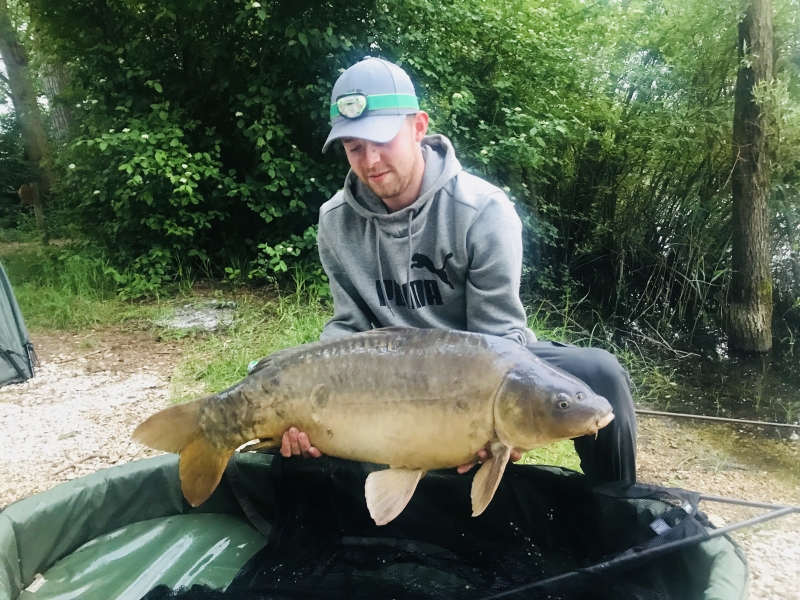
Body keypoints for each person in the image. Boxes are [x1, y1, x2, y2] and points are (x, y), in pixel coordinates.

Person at [280, 57, 637, 483]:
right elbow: (349, 328)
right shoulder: (335, 220)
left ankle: (614, 508)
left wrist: (489, 418)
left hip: (476, 367)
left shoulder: (483, 210)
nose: (370, 159)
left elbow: (498, 337)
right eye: (354, 147)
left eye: (381, 140)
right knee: (297, 426)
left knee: (601, 376)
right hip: (387, 371)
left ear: (418, 127)